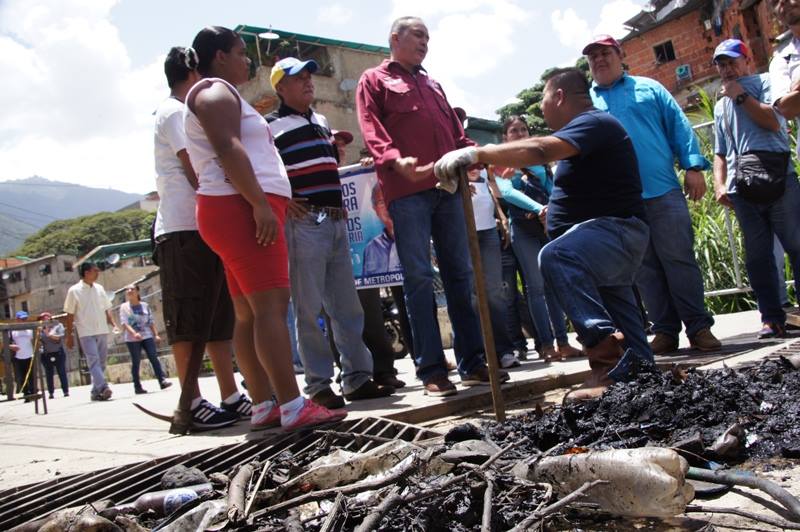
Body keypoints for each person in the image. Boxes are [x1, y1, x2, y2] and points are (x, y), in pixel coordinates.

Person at [435, 67, 653, 401]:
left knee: (555, 255)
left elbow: (539, 149)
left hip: (614, 233)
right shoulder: (586, 131)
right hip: (606, 239)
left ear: (560, 96)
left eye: (544, 99)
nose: (542, 108)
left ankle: (607, 361)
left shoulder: (593, 122)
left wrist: (479, 153)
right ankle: (644, 376)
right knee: (621, 311)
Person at [184, 26, 346, 430]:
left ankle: (264, 404)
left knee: (249, 314)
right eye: (241, 52)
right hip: (239, 207)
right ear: (219, 56)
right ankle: (292, 405)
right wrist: (259, 203)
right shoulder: (214, 92)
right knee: (271, 308)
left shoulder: (222, 94)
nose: (248, 60)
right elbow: (228, 148)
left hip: (235, 207)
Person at [357, 16, 508, 397]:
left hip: (449, 189)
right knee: (419, 278)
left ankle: (473, 363)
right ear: (395, 38)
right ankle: (431, 370)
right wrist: (393, 159)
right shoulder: (374, 79)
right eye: (418, 35)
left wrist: (475, 155)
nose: (425, 42)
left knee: (460, 274)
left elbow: (456, 137)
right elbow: (371, 125)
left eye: (428, 36)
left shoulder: (432, 83)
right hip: (407, 192)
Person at [266, 57, 394, 409]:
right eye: (299, 79)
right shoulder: (270, 127)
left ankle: (356, 379)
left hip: (335, 219)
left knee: (347, 306)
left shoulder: (321, 122)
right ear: (280, 87)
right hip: (305, 221)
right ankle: (319, 384)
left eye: (309, 77)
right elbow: (262, 169)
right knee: (308, 308)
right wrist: (284, 199)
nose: (308, 82)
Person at [584, 35, 721, 356]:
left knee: (679, 260)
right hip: (621, 203)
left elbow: (678, 125)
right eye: (593, 57)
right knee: (644, 270)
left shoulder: (650, 88)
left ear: (620, 55)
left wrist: (692, 166)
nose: (600, 60)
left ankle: (698, 327)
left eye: (605, 53)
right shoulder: (586, 102)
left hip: (663, 191)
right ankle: (665, 332)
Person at [153, 46, 256, 430]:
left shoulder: (184, 109)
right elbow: (194, 167)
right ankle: (191, 400)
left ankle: (230, 395)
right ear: (193, 72)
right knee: (189, 317)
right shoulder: (175, 111)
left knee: (216, 317)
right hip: (183, 226)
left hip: (202, 225)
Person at [712, 39, 800, 338]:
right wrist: (719, 183)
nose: (727, 69)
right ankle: (771, 318)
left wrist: (741, 96)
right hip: (744, 188)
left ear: (747, 61)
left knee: (796, 246)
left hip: (779, 179)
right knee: (758, 257)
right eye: (721, 64)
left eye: (732, 62)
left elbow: (774, 123)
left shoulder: (764, 83)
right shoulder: (720, 104)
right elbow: (720, 150)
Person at [494, 116, 583, 362]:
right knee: (535, 288)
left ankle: (563, 343)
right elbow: (507, 192)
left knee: (553, 286)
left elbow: (552, 188)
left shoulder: (539, 158)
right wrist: (540, 209)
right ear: (505, 137)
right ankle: (546, 345)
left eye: (523, 129)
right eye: (514, 131)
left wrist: (550, 209)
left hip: (547, 225)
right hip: (524, 229)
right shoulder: (502, 160)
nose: (520, 133)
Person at [467, 166, 522, 368]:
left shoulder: (481, 166)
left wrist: (502, 216)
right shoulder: (450, 165)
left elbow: (492, 190)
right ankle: (479, 355)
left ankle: (504, 351)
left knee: (495, 293)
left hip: (489, 232)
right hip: (463, 233)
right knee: (471, 296)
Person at [64, 262, 118, 401]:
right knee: (93, 361)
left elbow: (107, 308)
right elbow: (69, 314)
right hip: (86, 331)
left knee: (102, 362)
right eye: (95, 271)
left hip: (101, 329)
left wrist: (113, 324)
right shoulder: (74, 290)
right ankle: (104, 387)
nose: (98, 273)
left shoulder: (99, 288)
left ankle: (95, 392)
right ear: (87, 273)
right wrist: (69, 335)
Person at [119, 284, 172, 394]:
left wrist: (156, 334)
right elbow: (124, 323)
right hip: (132, 339)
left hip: (147, 335)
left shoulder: (145, 305)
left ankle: (162, 381)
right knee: (136, 361)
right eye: (127, 289)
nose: (129, 291)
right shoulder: (124, 307)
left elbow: (150, 321)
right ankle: (137, 386)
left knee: (153, 357)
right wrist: (134, 333)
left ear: (137, 291)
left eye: (132, 289)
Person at [38, 312, 69, 399]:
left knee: (62, 372)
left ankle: (65, 391)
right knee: (49, 374)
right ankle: (51, 392)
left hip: (58, 352)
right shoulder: (40, 329)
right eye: (42, 319)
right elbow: (39, 341)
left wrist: (48, 334)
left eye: (46, 319)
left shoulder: (58, 326)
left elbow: (58, 338)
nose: (44, 321)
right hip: (47, 354)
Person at [9, 310, 35, 400]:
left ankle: (34, 392)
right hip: (18, 357)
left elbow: (35, 341)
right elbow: (6, 342)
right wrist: (11, 346)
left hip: (30, 355)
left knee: (32, 376)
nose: (24, 320)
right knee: (21, 377)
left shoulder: (30, 329)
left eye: (25, 319)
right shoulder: (12, 331)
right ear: (17, 319)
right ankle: (26, 394)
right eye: (22, 319)